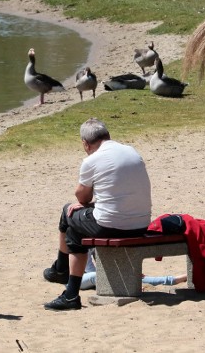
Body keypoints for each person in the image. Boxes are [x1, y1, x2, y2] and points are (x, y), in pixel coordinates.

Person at [42, 118, 152, 310]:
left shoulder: (91, 160)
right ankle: (62, 276)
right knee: (76, 223)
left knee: (69, 214)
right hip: (141, 224)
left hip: (112, 226)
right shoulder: (131, 151)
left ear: (85, 143)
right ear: (108, 136)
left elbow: (82, 197)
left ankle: (64, 279)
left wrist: (82, 202)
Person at [80, 249, 186, 290]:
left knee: (133, 276)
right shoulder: (78, 237)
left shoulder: (95, 236)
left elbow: (106, 264)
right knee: (97, 276)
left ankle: (176, 279)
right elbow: (90, 270)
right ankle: (130, 287)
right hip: (78, 279)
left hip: (95, 277)